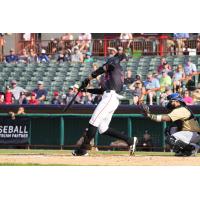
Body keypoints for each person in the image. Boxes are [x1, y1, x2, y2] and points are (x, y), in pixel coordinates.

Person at [72, 52, 138, 156]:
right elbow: (102, 90)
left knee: (94, 121)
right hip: (112, 98)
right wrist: (86, 90)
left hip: (110, 97)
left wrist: (89, 78)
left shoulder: (114, 61)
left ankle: (83, 150)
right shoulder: (114, 73)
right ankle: (130, 140)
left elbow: (105, 67)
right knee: (103, 128)